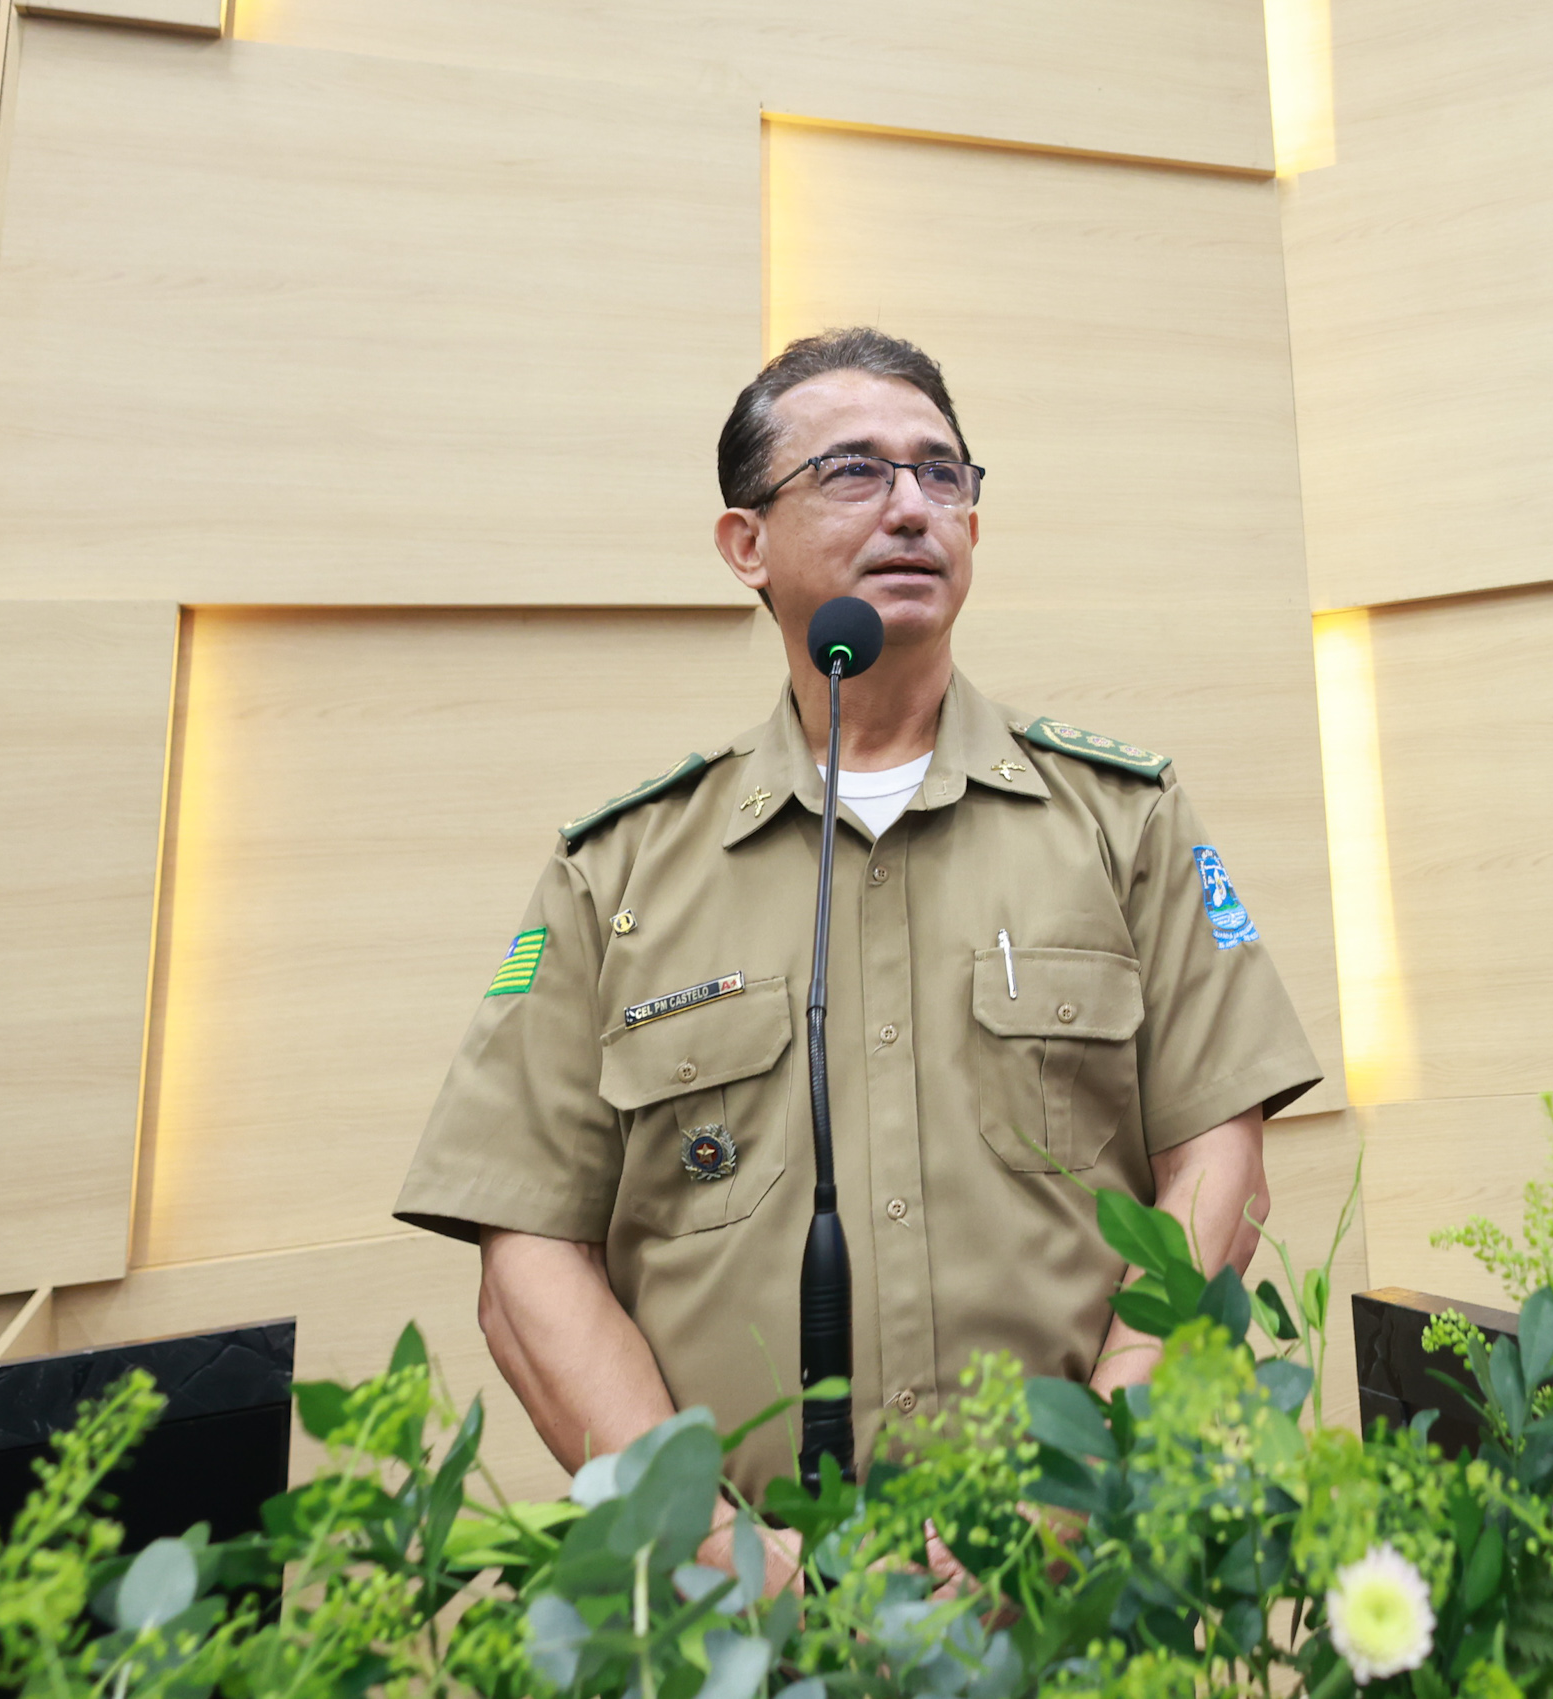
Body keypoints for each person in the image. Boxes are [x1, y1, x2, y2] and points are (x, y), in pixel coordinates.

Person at [396, 327, 1322, 1580]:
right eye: (852, 471)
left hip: (1068, 1595)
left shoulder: (1122, 822)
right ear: (746, 545)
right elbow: (528, 1260)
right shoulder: (614, 872)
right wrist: (717, 1548)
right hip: (735, 1616)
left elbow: (1216, 1169)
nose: (910, 507)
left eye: (943, 474)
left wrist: (1072, 1492)